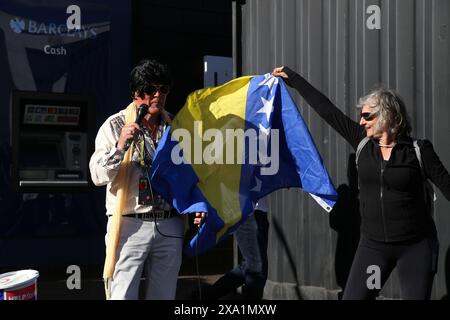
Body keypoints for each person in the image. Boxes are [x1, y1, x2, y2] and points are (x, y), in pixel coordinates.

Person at [272, 66, 450, 300]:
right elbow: (327, 110)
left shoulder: (419, 151)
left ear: (388, 115)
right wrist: (293, 78)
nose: (362, 121)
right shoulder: (362, 143)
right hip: (374, 249)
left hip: (415, 248)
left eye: (368, 116)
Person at [90, 59, 191, 300]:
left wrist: (197, 205)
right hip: (130, 223)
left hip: (170, 223)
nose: (157, 95)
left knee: (164, 295)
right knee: (122, 294)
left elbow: (189, 173)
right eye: (150, 89)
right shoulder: (115, 125)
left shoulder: (176, 126)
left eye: (163, 89)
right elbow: (97, 175)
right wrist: (120, 145)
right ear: (136, 93)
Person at [193, 197, 269, 300]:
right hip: (244, 212)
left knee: (248, 267)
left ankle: (203, 296)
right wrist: (204, 206)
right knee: (256, 270)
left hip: (260, 212)